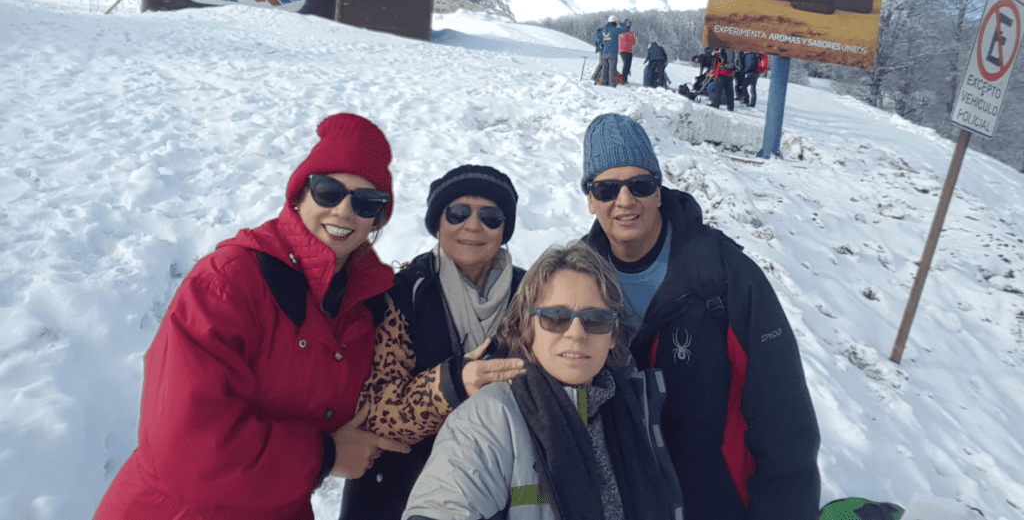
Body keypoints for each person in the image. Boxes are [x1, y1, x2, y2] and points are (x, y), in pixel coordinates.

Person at [94, 113, 416, 520]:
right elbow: (184, 444)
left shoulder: (364, 303)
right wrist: (327, 456)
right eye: (328, 190)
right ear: (300, 194)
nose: (344, 211)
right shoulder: (230, 281)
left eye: (366, 201)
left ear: (377, 219)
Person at [578, 114, 821, 520]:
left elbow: (785, 423)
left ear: (658, 191)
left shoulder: (726, 276)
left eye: (640, 185)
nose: (624, 201)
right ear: (590, 198)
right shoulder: (575, 283)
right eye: (606, 188)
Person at [402, 241, 684, 520]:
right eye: (556, 317)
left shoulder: (636, 410)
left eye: (595, 319)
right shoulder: (491, 418)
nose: (576, 333)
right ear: (526, 327)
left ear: (613, 335)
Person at [340, 165, 528, 520]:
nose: (473, 226)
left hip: (502, 490)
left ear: (504, 230)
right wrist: (455, 383)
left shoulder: (532, 295)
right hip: (402, 492)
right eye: (457, 213)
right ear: (436, 223)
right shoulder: (399, 295)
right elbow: (374, 411)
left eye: (490, 217)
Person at [598, 15, 629, 87]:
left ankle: (603, 82)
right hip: (612, 53)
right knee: (612, 69)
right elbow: (626, 29)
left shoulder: (603, 29)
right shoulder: (615, 30)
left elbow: (599, 38)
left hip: (604, 52)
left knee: (604, 69)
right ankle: (612, 84)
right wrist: (620, 22)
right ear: (615, 22)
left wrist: (600, 44)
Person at [618, 19, 637, 84]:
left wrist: (629, 41)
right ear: (625, 23)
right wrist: (629, 41)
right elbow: (626, 41)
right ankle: (623, 80)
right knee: (626, 65)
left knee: (628, 66)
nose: (629, 24)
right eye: (628, 23)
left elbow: (634, 42)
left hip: (630, 51)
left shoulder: (632, 33)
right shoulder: (621, 31)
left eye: (630, 23)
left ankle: (624, 79)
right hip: (623, 50)